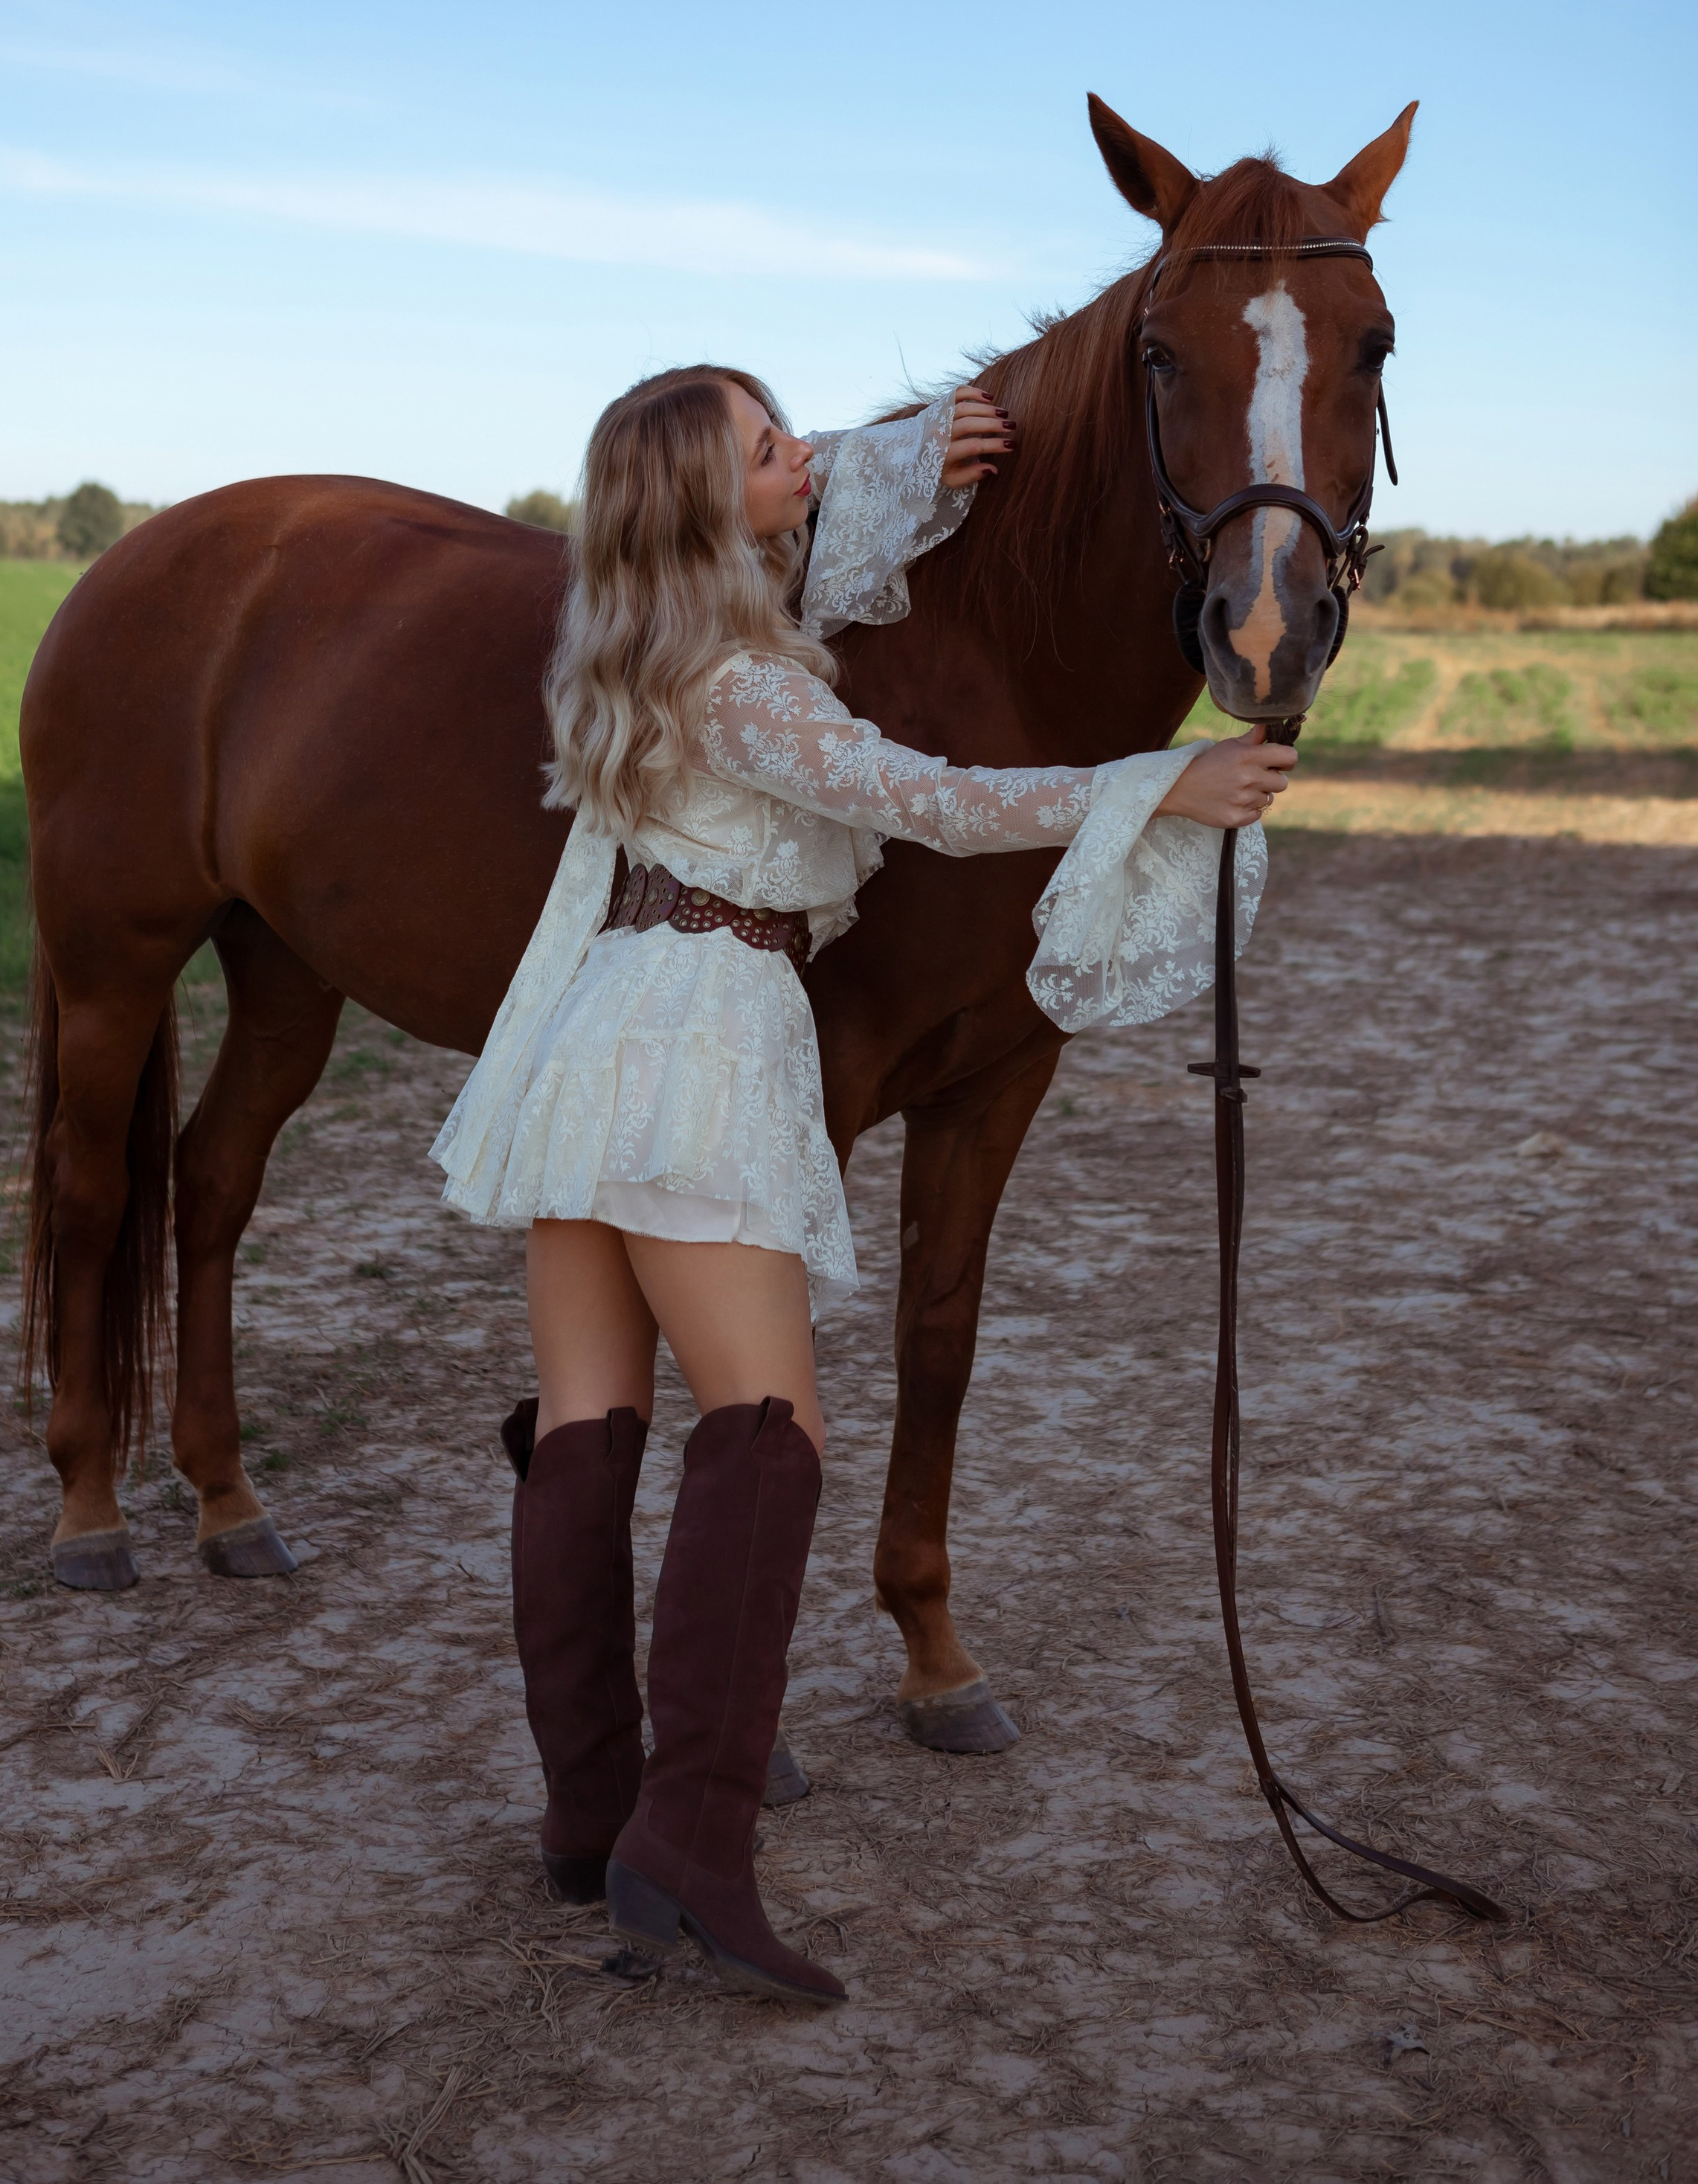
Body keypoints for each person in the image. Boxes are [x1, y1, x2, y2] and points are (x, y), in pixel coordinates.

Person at [434, 367, 1294, 2006]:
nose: (804, 458)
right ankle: (687, 1850)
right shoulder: (751, 687)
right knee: (770, 1434)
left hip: (599, 1025)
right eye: (772, 450)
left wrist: (894, 463)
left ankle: (589, 1813)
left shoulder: (633, 651)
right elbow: (937, 803)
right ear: (711, 506)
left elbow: (805, 559)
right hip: (702, 1039)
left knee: (582, 1423)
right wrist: (1145, 784)